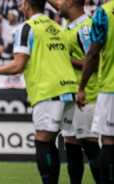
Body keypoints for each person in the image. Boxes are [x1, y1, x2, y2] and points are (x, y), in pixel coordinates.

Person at [0, 0, 78, 183]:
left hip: (49, 90)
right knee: (57, 139)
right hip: (70, 88)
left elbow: (18, 65)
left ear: (25, 5)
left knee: (42, 141)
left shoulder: (26, 28)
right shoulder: (55, 26)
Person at [47, 0, 101, 183]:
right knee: (70, 143)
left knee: (89, 142)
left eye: (60, 1)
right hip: (72, 95)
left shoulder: (85, 28)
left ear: (69, 2)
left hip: (87, 95)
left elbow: (94, 63)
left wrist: (64, 58)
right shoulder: (71, 25)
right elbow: (60, 7)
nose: (57, 4)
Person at [76, 1, 114, 183]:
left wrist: (81, 87)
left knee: (109, 142)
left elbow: (92, 54)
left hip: (111, 87)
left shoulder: (104, 13)